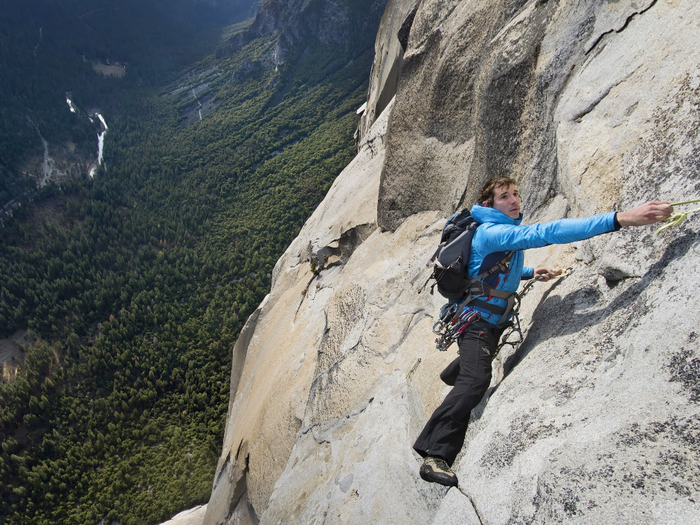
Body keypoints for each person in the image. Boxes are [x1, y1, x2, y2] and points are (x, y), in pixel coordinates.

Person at [414, 177, 673, 487]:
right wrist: (621, 218)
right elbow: (546, 233)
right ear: (489, 205)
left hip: (488, 322)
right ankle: (435, 454)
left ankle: (455, 370)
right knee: (476, 380)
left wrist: (530, 272)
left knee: (478, 362)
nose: (513, 201)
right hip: (477, 324)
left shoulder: (497, 231)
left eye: (515, 195)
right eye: (504, 197)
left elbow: (491, 268)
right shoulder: (492, 232)